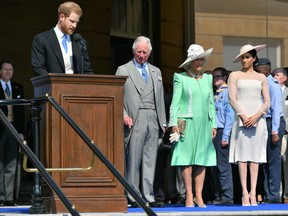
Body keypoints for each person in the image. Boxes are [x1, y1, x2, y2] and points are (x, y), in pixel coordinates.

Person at [115, 36, 166, 208]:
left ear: (150, 52)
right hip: (134, 118)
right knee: (134, 159)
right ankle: (133, 195)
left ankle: (149, 195)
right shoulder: (123, 70)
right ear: (133, 51)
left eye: (145, 52)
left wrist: (163, 121)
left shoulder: (156, 72)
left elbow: (160, 98)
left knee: (150, 159)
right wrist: (123, 115)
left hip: (153, 117)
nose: (142, 55)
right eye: (139, 52)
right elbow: (117, 96)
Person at [169, 44, 217, 208]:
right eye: (197, 59)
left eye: (202, 59)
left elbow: (211, 103)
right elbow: (175, 103)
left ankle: (199, 195)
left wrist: (214, 124)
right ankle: (189, 195)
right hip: (186, 123)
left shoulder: (208, 79)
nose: (200, 62)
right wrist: (173, 123)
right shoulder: (180, 77)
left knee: (201, 159)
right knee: (186, 159)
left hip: (204, 124)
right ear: (190, 62)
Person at [228, 44, 270, 206]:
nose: (244, 60)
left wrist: (257, 116)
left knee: (255, 158)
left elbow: (267, 101)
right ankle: (244, 193)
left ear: (254, 59)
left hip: (257, 120)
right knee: (242, 158)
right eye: (242, 57)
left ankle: (253, 192)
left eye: (247, 57)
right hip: (241, 119)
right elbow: (232, 98)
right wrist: (244, 116)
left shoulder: (261, 77)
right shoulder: (234, 75)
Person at [31, 1, 93, 76]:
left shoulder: (79, 42)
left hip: (77, 87)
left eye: (77, 22)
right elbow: (39, 69)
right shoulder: (42, 39)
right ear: (62, 17)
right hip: (53, 86)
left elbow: (87, 70)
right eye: (72, 21)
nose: (74, 25)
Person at [254, 58, 286, 203]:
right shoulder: (262, 83)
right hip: (264, 122)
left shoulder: (273, 85)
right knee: (264, 160)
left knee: (273, 160)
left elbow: (277, 110)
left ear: (266, 69)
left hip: (273, 123)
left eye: (258, 67)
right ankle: (268, 193)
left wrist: (274, 132)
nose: (255, 69)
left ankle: (274, 195)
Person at [0, 59, 25, 206]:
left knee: (11, 163)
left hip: (13, 129)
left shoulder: (18, 87)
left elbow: (21, 112)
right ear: (0, 71)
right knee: (0, 165)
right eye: (5, 69)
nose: (8, 72)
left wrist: (21, 132)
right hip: (0, 129)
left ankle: (9, 197)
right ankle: (0, 197)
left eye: (10, 70)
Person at [209, 67, 234, 205]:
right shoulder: (215, 93)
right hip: (213, 131)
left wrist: (225, 136)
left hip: (221, 130)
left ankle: (227, 195)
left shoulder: (228, 92)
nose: (215, 79)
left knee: (222, 165)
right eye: (214, 77)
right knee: (214, 166)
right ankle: (218, 194)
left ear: (225, 77)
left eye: (218, 76)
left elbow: (230, 115)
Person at [272, 68, 288, 203]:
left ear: (284, 78)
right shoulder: (270, 91)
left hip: (286, 132)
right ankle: (278, 193)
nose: (275, 77)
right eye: (273, 75)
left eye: (277, 75)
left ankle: (286, 194)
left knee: (286, 164)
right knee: (276, 163)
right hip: (275, 131)